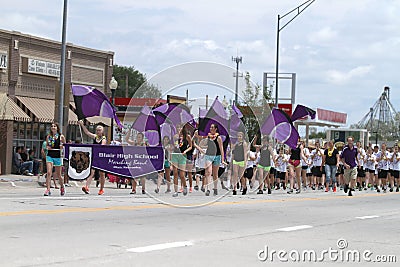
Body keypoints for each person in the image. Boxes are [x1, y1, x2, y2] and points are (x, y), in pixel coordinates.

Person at [79, 121, 107, 195]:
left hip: (101, 158)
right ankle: (87, 187)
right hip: (94, 157)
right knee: (91, 172)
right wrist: (82, 124)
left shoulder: (103, 139)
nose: (98, 131)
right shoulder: (95, 137)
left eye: (99, 130)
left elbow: (102, 145)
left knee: (102, 174)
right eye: (97, 130)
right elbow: (87, 132)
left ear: (102, 131)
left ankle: (101, 189)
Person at [44, 123, 66, 196]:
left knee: (58, 174)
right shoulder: (48, 137)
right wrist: (47, 147)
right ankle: (48, 189)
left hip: (57, 156)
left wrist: (62, 147)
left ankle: (62, 187)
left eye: (54, 126)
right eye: (52, 126)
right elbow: (46, 145)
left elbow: (65, 145)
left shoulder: (61, 136)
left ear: (57, 128)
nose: (53, 127)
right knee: (49, 172)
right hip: (50, 155)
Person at [204, 124, 225, 196]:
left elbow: (221, 148)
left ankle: (215, 188)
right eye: (210, 127)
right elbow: (204, 144)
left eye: (212, 127)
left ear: (216, 129)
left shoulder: (218, 138)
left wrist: (222, 159)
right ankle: (208, 189)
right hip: (209, 155)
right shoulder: (208, 137)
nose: (211, 128)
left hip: (217, 156)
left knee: (215, 173)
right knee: (208, 172)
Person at [170, 126, 191, 197]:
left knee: (182, 174)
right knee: (175, 173)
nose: (179, 129)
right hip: (175, 155)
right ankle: (175, 191)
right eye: (178, 127)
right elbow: (173, 145)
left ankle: (185, 186)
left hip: (182, 155)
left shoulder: (187, 136)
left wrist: (185, 151)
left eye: (180, 127)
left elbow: (191, 146)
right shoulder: (175, 136)